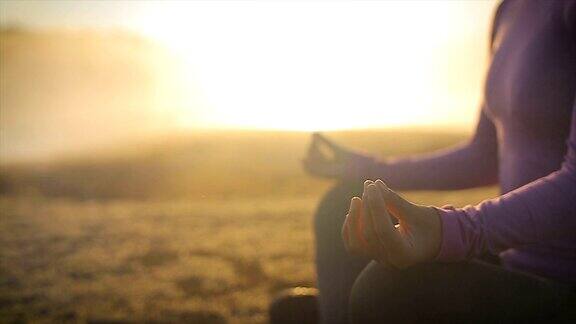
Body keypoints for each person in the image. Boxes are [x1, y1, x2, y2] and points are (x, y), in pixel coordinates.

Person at [296, 1, 576, 323]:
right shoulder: (508, 10)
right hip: (516, 259)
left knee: (386, 289)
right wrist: (365, 170)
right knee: (340, 205)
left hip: (565, 283)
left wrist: (450, 231)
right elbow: (484, 156)